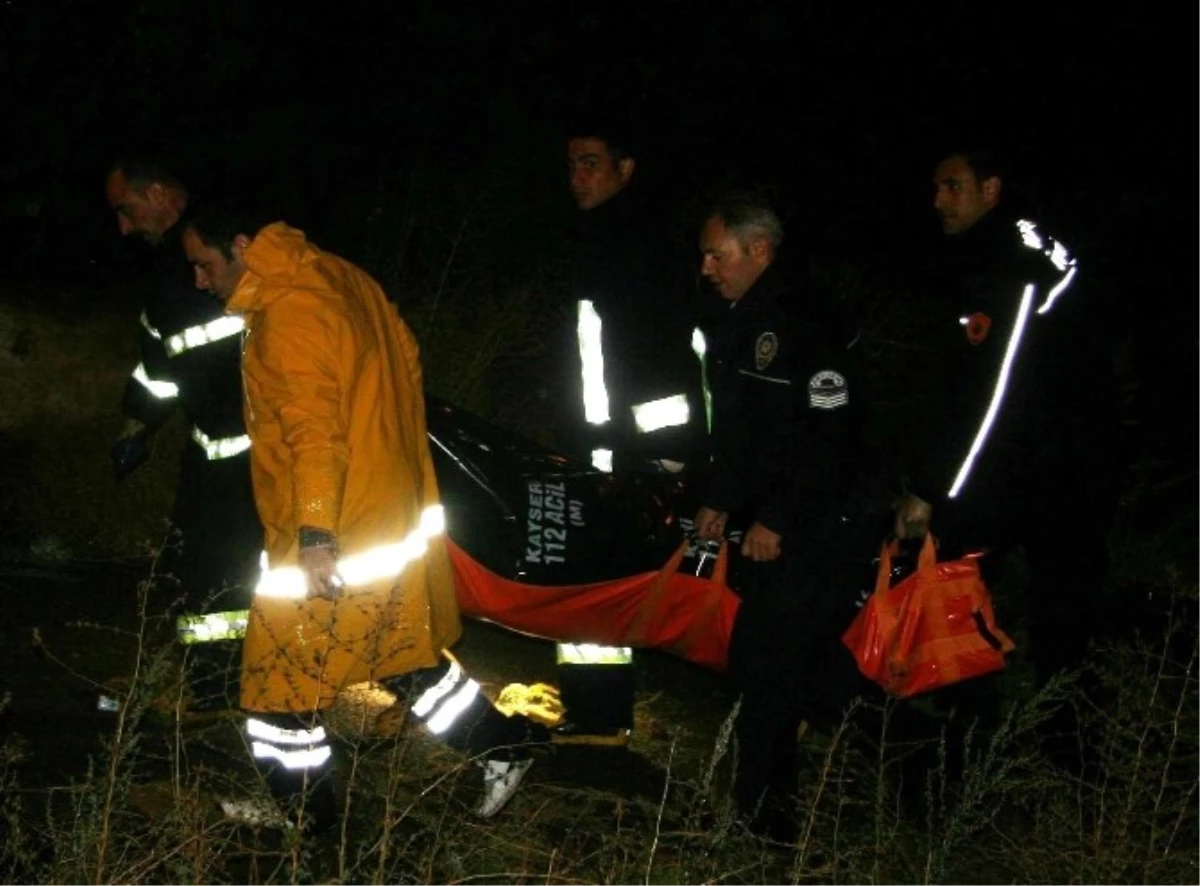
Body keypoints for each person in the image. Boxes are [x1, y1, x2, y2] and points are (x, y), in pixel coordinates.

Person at [181, 205, 546, 831]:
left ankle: (307, 815)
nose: (198, 280)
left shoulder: (288, 313)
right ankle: (504, 746)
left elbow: (313, 434)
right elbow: (406, 360)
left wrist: (316, 533)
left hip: (332, 532)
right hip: (383, 513)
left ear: (241, 245)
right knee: (397, 650)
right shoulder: (339, 275)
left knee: (277, 682)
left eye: (204, 264)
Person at [693, 192, 887, 838]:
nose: (707, 268)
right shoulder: (743, 318)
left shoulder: (804, 318)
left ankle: (762, 825)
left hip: (821, 523)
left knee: (769, 668)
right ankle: (917, 754)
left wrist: (779, 516)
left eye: (717, 255)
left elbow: (828, 437)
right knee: (795, 666)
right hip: (779, 522)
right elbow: (747, 434)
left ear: (758, 250)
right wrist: (722, 499)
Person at [893, 150, 1120, 694]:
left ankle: (1042, 751)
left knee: (1002, 602)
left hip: (1051, 467)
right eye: (936, 186)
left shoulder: (1011, 260)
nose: (938, 201)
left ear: (990, 188)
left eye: (953, 186)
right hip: (1049, 457)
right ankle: (1005, 739)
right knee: (1034, 606)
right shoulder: (1007, 245)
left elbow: (992, 388)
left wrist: (932, 488)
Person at [104, 159, 262, 711]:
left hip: (259, 453)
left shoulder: (224, 251)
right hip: (210, 451)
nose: (123, 227)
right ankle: (207, 685)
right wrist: (137, 424)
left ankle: (225, 687)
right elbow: (159, 366)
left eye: (127, 209)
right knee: (198, 569)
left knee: (231, 571)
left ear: (157, 194)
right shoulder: (171, 277)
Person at [562, 120, 707, 474]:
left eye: (591, 164)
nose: (577, 177)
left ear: (624, 169)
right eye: (573, 165)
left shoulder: (644, 243)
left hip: (647, 447)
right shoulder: (595, 239)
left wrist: (664, 447)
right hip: (603, 441)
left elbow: (664, 343)